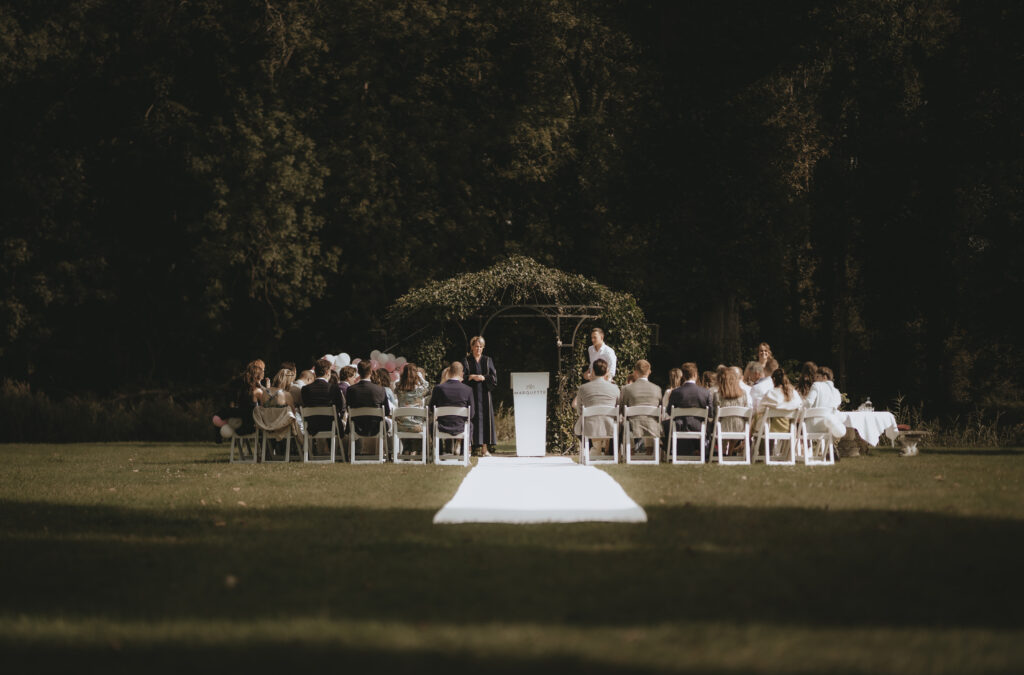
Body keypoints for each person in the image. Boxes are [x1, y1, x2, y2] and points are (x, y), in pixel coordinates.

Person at [573, 358, 621, 458]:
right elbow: (619, 410)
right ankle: (612, 452)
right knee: (621, 424)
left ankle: (591, 447)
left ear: (593, 371)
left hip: (589, 427)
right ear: (607, 371)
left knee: (579, 425)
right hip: (610, 427)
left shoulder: (583, 388)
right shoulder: (615, 388)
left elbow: (579, 411)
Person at [666, 362, 714, 458]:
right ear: (695, 375)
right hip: (700, 427)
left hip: (681, 426)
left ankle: (670, 451)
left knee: (665, 425)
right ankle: (703, 451)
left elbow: (669, 411)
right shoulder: (705, 392)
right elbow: (711, 413)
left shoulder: (676, 392)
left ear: (683, 376)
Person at [460, 336, 497, 457]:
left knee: (485, 419)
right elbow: (461, 377)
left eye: (481, 347)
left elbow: (494, 378)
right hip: (471, 394)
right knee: (472, 419)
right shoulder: (466, 360)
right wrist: (471, 377)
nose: (478, 349)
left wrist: (484, 377)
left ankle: (484, 449)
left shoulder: (487, 360)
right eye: (476, 346)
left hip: (485, 395)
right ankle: (470, 448)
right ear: (472, 347)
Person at [346, 360, 392, 455]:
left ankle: (357, 452)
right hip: (376, 427)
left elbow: (348, 408)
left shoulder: (351, 390)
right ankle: (387, 452)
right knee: (390, 423)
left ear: (358, 372)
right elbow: (387, 412)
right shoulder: (380, 389)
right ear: (371, 372)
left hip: (357, 427)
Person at [756, 367, 802, 460]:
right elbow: (800, 408)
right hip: (788, 427)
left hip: (771, 427)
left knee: (758, 421)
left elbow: (759, 409)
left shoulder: (771, 393)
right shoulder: (793, 394)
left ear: (773, 380)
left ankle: (762, 453)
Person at [428, 361, 474, 456]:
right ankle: (463, 454)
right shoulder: (468, 389)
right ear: (462, 373)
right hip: (460, 426)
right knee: (470, 425)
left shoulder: (438, 388)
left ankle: (439, 453)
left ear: (449, 372)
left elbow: (432, 408)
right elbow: (472, 413)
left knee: (432, 425)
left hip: (442, 425)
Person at [620, 359, 662, 453]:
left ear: (635, 372)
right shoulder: (657, 389)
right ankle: (650, 449)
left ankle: (630, 450)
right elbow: (660, 409)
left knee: (625, 421)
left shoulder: (626, 389)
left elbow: (622, 410)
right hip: (652, 426)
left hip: (633, 425)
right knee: (652, 419)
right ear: (649, 371)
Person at [713, 367, 748, 456]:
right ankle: (730, 452)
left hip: (723, 428)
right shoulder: (743, 394)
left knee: (717, 422)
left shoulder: (717, 395)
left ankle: (720, 450)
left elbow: (716, 415)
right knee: (736, 421)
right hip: (740, 429)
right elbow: (746, 414)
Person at [395, 363, 430, 433]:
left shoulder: (398, 389)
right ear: (416, 375)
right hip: (417, 426)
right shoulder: (419, 391)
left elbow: (398, 383)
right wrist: (420, 377)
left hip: (401, 426)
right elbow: (426, 385)